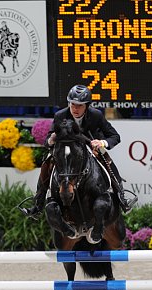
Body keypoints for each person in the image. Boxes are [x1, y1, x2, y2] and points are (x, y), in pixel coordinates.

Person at [20, 84, 137, 219]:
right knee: (47, 163)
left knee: (108, 162)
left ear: (87, 106)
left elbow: (115, 137)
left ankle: (122, 197)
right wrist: (51, 140)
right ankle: (38, 204)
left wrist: (102, 142)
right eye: (73, 104)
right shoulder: (60, 115)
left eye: (79, 105)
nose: (75, 108)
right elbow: (48, 140)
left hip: (90, 147)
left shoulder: (96, 115)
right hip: (67, 149)